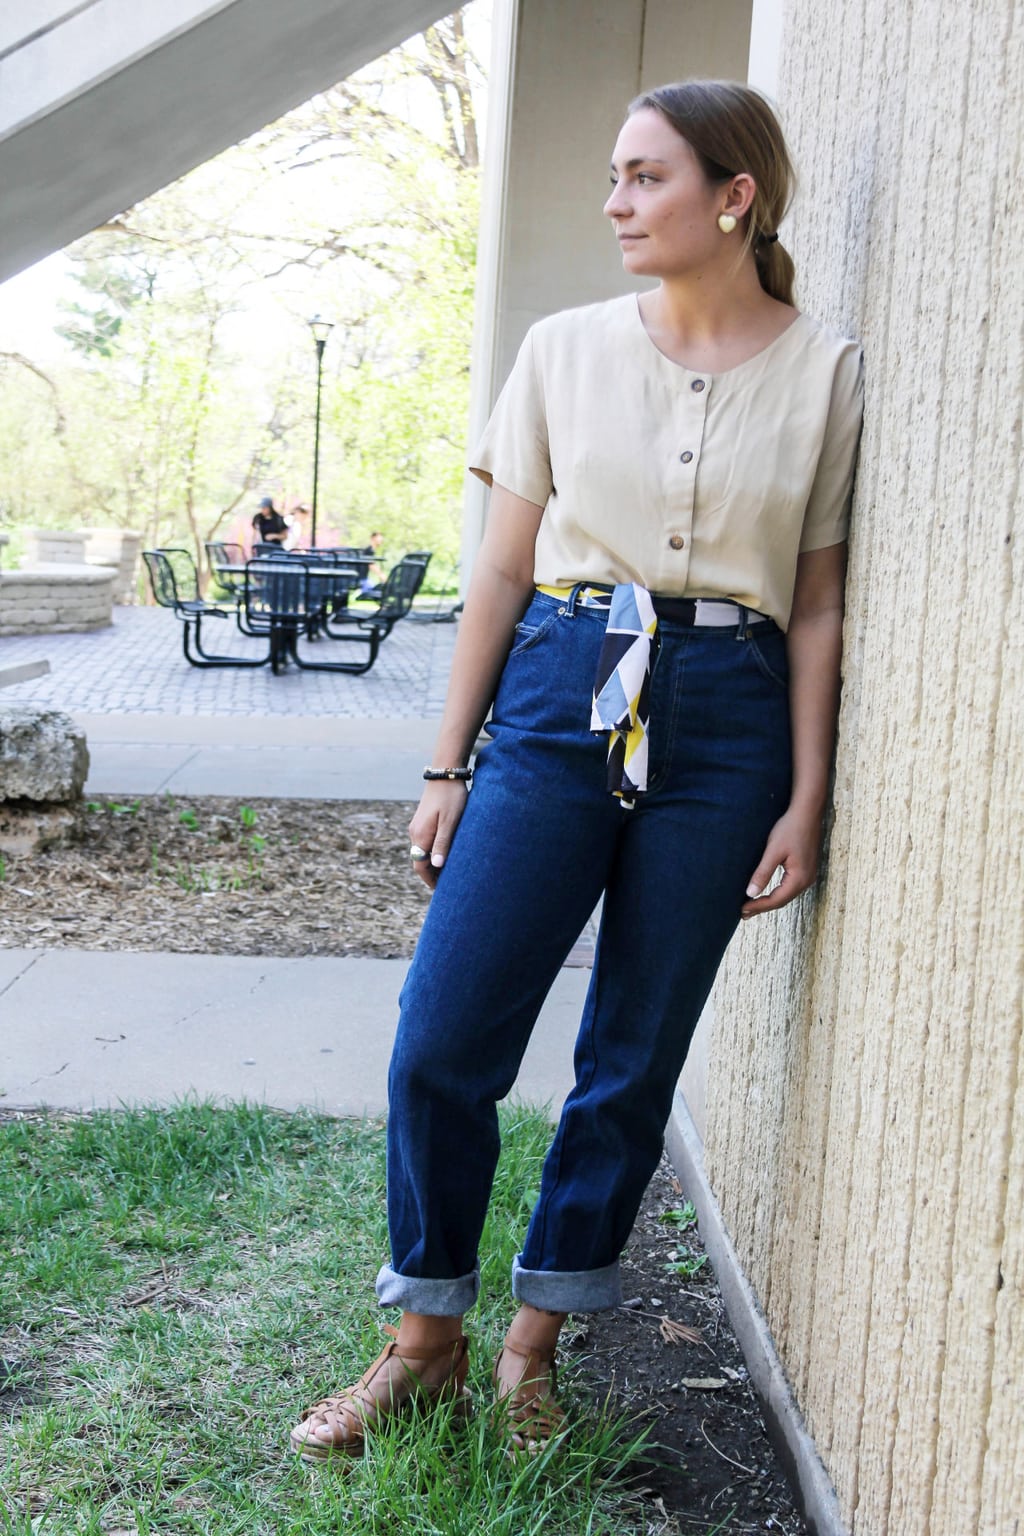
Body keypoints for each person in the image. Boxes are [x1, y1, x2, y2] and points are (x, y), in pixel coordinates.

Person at [290, 79, 863, 1463]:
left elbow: (821, 601)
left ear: (735, 198)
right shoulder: (560, 349)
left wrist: (803, 790)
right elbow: (499, 568)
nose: (615, 202)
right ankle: (423, 1338)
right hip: (561, 688)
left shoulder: (824, 368)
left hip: (727, 714)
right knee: (445, 1033)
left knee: (631, 1059)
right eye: (611, 174)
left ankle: (532, 1350)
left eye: (645, 177)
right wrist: (449, 763)